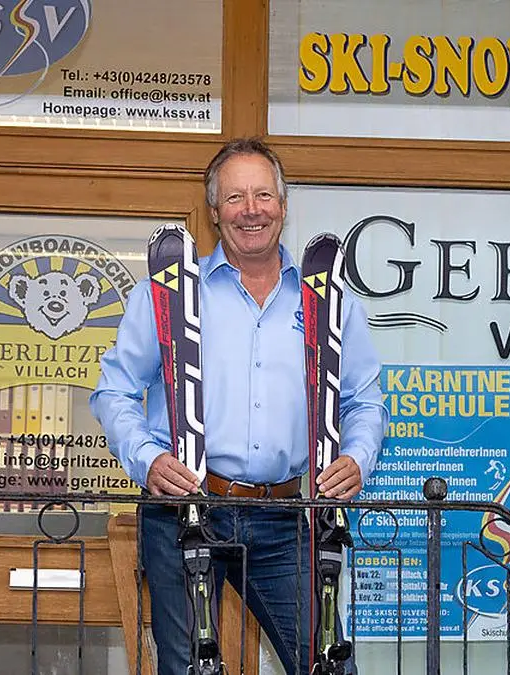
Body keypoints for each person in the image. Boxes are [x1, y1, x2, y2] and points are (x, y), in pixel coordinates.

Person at [89, 137, 388, 675]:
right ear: (214, 211)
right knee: (189, 669)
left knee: (329, 666)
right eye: (235, 198)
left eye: (263, 195)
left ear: (283, 205)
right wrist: (147, 460)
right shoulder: (169, 293)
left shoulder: (328, 300)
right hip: (184, 509)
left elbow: (363, 400)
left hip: (284, 516)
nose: (251, 210)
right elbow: (114, 390)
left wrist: (357, 458)